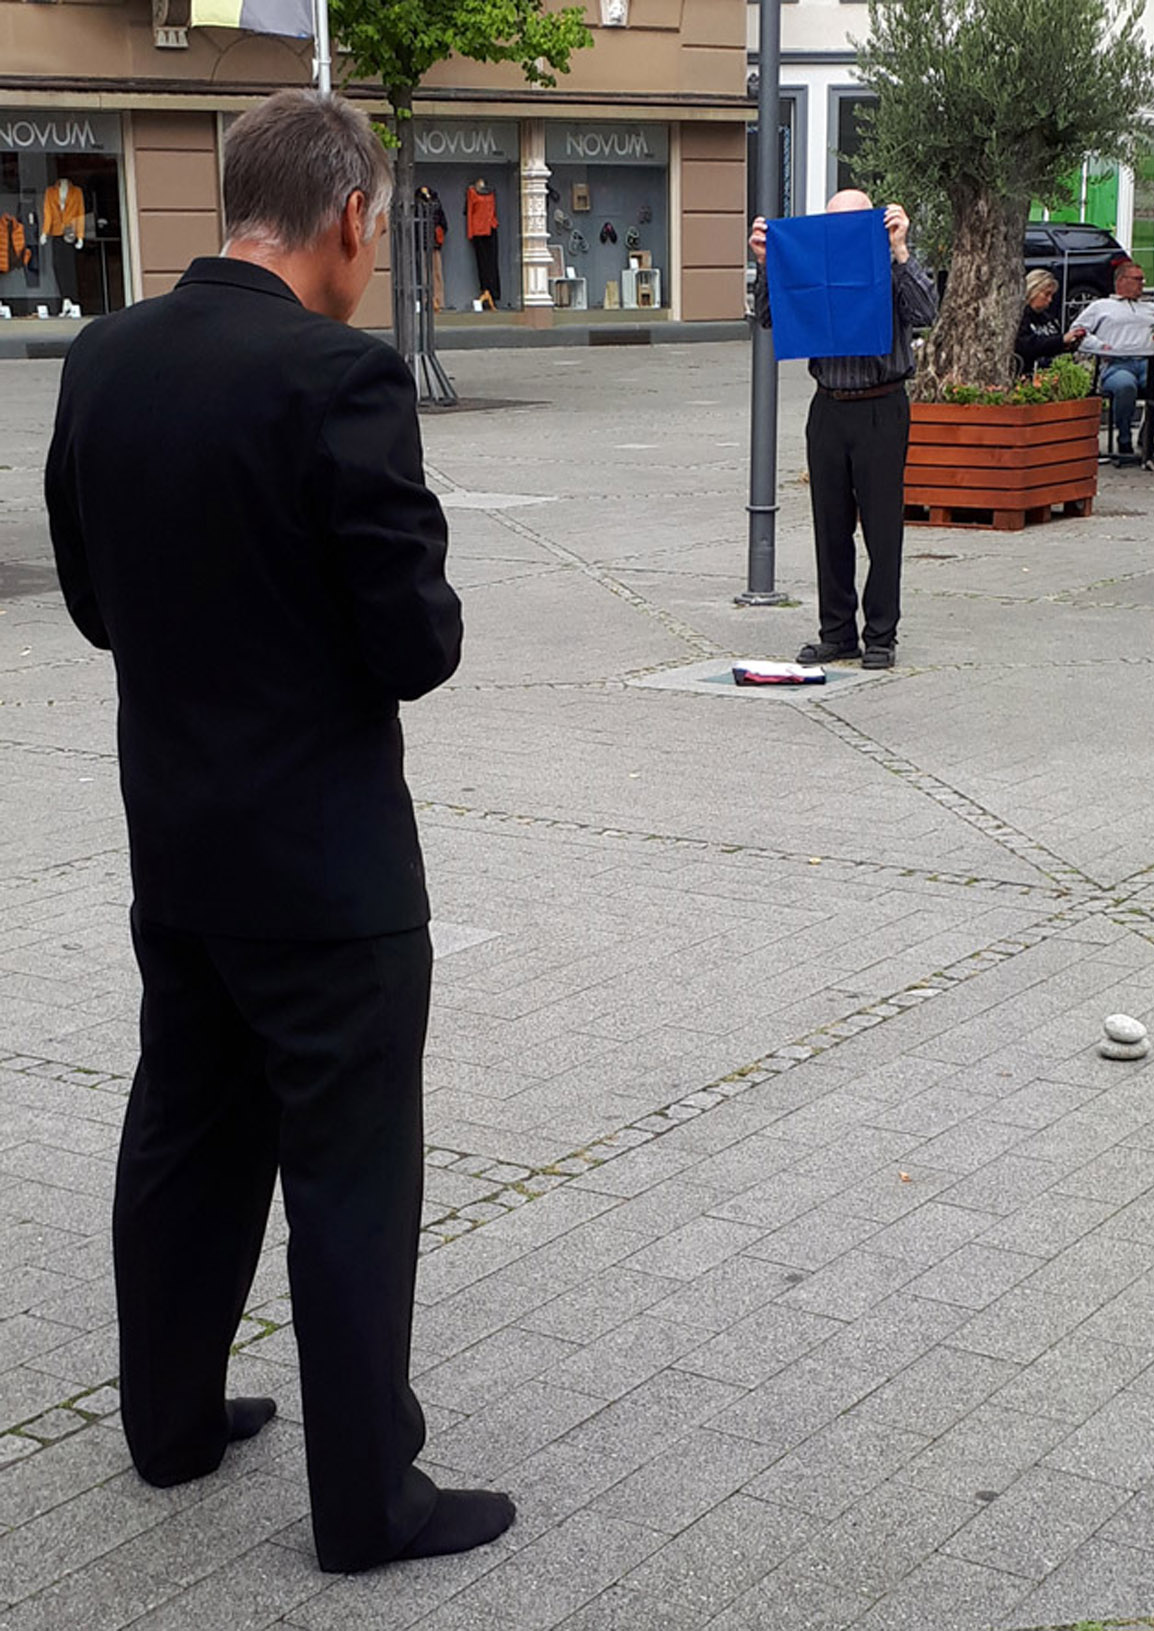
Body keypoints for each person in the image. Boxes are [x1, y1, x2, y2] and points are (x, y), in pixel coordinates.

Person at [44, 89, 516, 1576]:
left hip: (178, 847)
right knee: (350, 1175)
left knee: (185, 1129)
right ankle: (370, 1502)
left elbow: (93, 602)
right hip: (326, 873)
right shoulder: (341, 375)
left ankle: (170, 1420)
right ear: (352, 217)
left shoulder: (104, 355)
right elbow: (415, 645)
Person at [750, 191, 938, 669]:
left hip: (881, 406)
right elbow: (770, 317)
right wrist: (768, 263)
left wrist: (900, 250)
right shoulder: (813, 267)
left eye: (854, 224)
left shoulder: (890, 264)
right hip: (829, 407)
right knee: (830, 526)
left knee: (882, 528)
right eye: (834, 224)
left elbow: (926, 313)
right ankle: (837, 633)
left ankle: (881, 636)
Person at [1073, 259, 1154, 461]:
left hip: (1148, 363)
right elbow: (1077, 332)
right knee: (1125, 386)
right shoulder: (1101, 307)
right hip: (1116, 363)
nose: (1142, 284)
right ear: (1121, 281)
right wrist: (1100, 346)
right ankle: (1124, 438)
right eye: (1137, 279)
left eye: (1142, 280)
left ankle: (1148, 436)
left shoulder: (1152, 308)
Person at [1015, 269, 1084, 375]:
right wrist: (1061, 340)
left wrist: (1069, 344)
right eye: (1046, 295)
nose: (1050, 300)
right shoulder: (1020, 317)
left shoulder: (1047, 317)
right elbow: (1026, 345)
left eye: (1051, 295)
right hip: (1031, 371)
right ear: (1033, 291)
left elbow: (1053, 342)